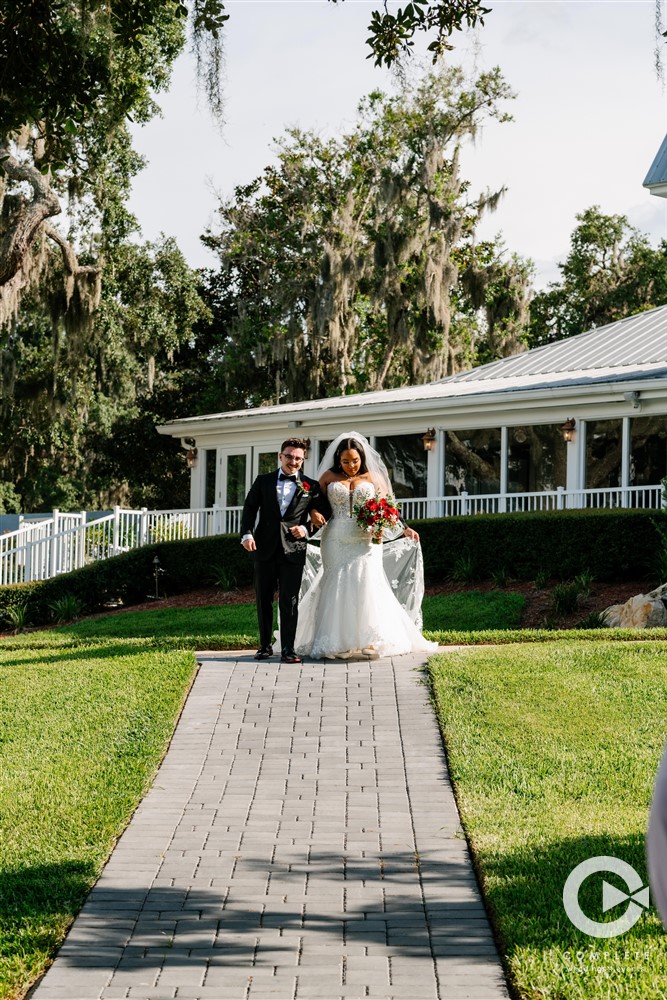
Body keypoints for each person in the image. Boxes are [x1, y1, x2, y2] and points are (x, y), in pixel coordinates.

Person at [295, 431, 438, 660]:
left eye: (355, 460)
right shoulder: (328, 477)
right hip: (335, 538)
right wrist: (313, 512)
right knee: (337, 583)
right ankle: (339, 642)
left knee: (367, 582)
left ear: (361, 458)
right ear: (338, 460)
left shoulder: (373, 478)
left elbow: (387, 507)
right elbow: (313, 502)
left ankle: (372, 640)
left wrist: (404, 528)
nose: (351, 466)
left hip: (367, 538)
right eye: (345, 461)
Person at [240, 438, 330, 664]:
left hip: (293, 549)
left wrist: (306, 528)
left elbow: (326, 512)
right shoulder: (263, 481)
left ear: (303, 460)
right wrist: (247, 533)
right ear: (280, 456)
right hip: (264, 547)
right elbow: (250, 507)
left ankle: (289, 648)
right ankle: (264, 646)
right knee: (263, 598)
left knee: (289, 600)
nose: (294, 462)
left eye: (298, 458)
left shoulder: (311, 486)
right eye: (289, 456)